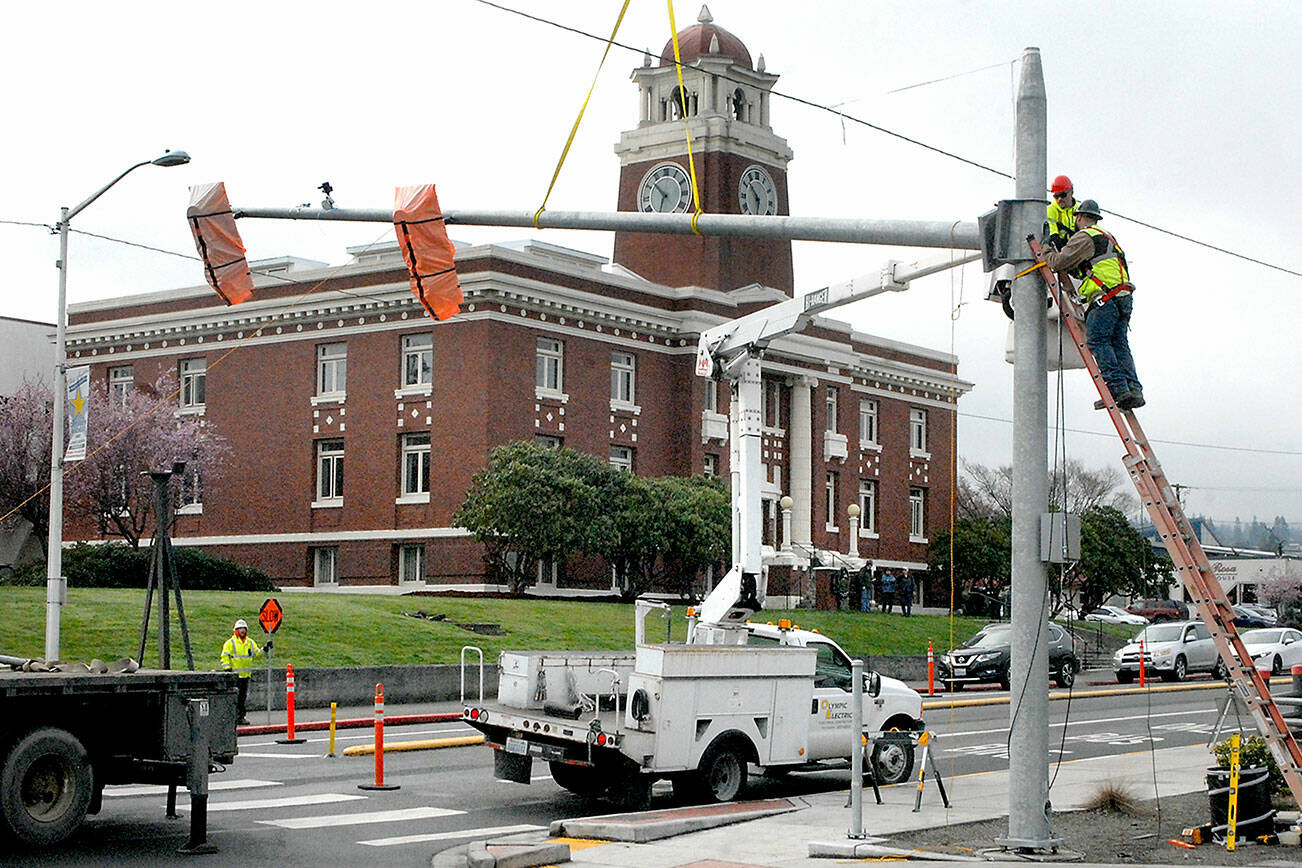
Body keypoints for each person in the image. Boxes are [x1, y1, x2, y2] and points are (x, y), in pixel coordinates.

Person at [1043, 199, 1144, 411]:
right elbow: (1088, 267)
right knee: (1119, 343)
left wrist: (1046, 249)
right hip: (1123, 296)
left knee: (1098, 342)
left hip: (1105, 299)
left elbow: (1057, 263)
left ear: (1079, 217)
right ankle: (1133, 390)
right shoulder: (1107, 237)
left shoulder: (1084, 237)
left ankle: (1117, 390)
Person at [220, 619, 270, 725]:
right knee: (234, 698)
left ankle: (240, 717)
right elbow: (225, 656)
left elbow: (257, 654)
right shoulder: (230, 643)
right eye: (240, 629)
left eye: (244, 629)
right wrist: (227, 669)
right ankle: (233, 717)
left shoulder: (250, 643)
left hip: (245, 676)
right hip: (234, 676)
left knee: (242, 698)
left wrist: (265, 649)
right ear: (236, 630)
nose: (242, 631)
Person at [1045, 174, 1077, 249]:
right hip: (1060, 250)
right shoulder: (1050, 210)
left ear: (1071, 192)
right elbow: (1053, 236)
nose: (1059, 199)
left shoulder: (1079, 211)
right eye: (1056, 196)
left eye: (1063, 195)